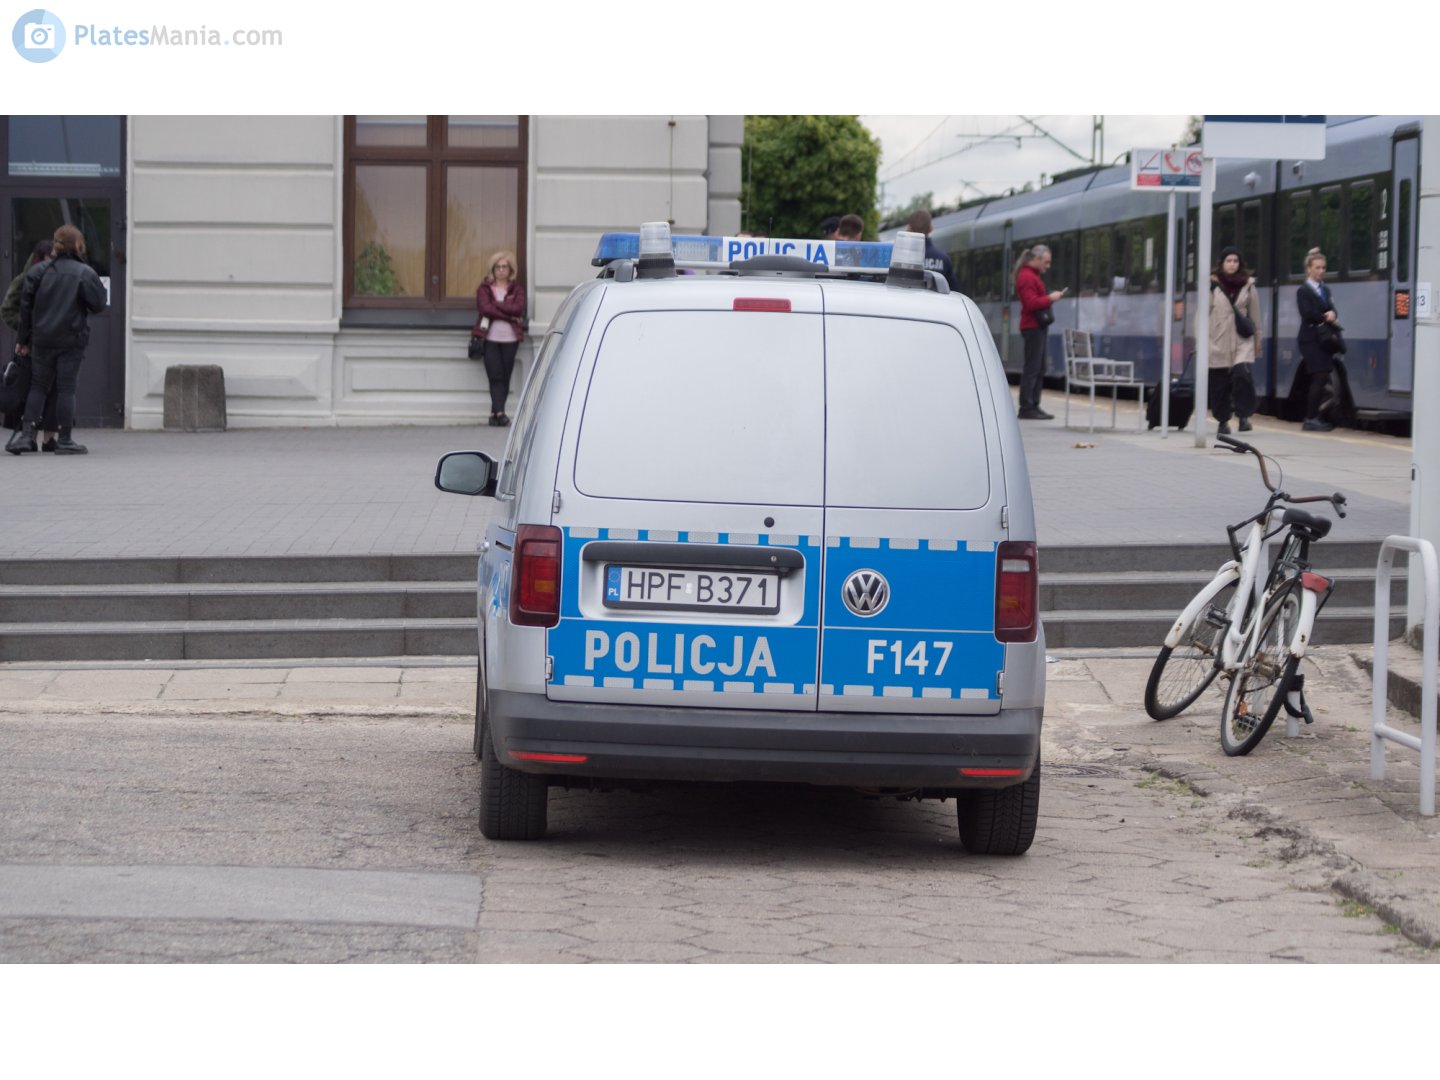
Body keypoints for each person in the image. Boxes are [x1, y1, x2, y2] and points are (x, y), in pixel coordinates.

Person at [11, 225, 105, 455]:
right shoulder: (85, 273)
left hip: (42, 339)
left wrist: (23, 340)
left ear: (56, 244)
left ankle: (25, 437)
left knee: (38, 386)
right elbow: (99, 304)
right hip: (71, 339)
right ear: (79, 245)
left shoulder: (37, 272)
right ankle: (64, 439)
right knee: (66, 388)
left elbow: (26, 310)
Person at [2, 239, 59, 453]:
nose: (55, 261)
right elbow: (8, 310)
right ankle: (30, 437)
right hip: (32, 344)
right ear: (41, 257)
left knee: (53, 391)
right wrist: (27, 331)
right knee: (33, 390)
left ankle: (48, 438)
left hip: (50, 342)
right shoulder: (25, 279)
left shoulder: (57, 278)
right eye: (51, 256)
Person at [1207, 245, 1261, 435]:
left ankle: (1244, 416)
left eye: (1235, 261)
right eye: (1228, 261)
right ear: (1222, 264)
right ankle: (1223, 421)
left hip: (1241, 339)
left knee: (1242, 375)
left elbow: (1255, 316)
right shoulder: (1212, 286)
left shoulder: (1249, 285)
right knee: (1219, 383)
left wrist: (1257, 341)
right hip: (1217, 340)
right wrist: (1201, 342)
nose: (1232, 264)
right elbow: (1202, 315)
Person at [474, 250, 527, 427]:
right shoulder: (484, 289)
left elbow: (518, 309)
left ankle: (495, 413)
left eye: (505, 267)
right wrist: (508, 314)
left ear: (510, 269)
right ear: (493, 269)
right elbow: (485, 309)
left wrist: (497, 306)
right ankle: (500, 413)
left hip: (510, 339)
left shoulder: (516, 289)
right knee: (495, 375)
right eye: (498, 267)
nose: (501, 270)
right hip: (490, 338)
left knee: (505, 376)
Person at [1014, 245, 1064, 420]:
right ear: (1036, 259)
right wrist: (1050, 298)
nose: (1048, 266)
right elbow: (1031, 303)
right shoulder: (1027, 277)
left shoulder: (1031, 276)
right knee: (1033, 368)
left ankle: (1034, 404)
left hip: (1037, 327)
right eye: (1046, 262)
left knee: (1039, 367)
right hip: (1032, 327)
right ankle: (1027, 406)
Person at [1296, 247, 1339, 432]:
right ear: (1309, 269)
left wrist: (1332, 313)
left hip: (1323, 339)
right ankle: (1310, 417)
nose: (1321, 271)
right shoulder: (1303, 290)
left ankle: (1313, 416)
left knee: (1322, 375)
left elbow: (1332, 308)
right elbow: (1307, 313)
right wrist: (1325, 316)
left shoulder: (1325, 289)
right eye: (1318, 267)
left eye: (1323, 268)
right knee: (1319, 374)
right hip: (1309, 338)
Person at [907, 209, 958, 291]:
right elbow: (955, 292)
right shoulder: (944, 260)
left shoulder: (901, 260)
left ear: (908, 229)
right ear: (931, 228)